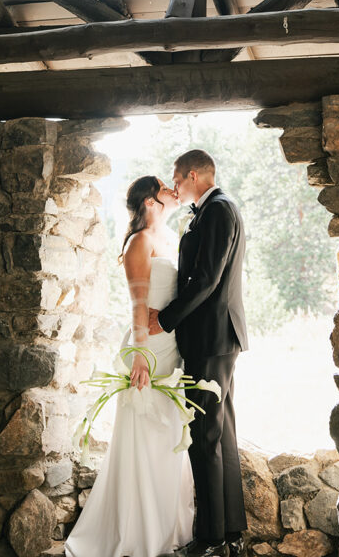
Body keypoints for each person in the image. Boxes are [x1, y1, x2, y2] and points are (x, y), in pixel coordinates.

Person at [65, 176, 194, 557]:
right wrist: (140, 354)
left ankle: (167, 527)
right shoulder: (139, 241)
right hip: (148, 350)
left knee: (168, 436)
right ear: (150, 201)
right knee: (144, 438)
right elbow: (138, 303)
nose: (172, 189)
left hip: (171, 347)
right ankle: (138, 532)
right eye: (164, 186)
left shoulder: (168, 237)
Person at [149, 149, 248, 557]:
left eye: (176, 179)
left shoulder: (218, 210)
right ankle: (230, 532)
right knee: (220, 434)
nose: (174, 188)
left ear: (193, 175)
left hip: (211, 339)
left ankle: (210, 539)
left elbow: (206, 278)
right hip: (217, 339)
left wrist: (165, 319)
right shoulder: (215, 209)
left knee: (204, 438)